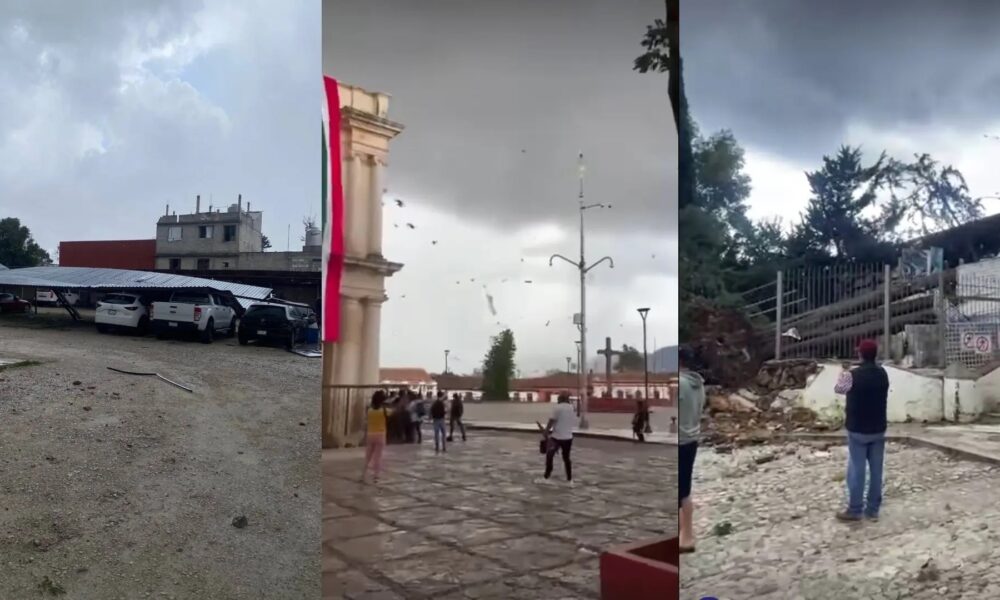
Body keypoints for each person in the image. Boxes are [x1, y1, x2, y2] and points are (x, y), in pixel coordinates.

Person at [834, 339, 890, 522]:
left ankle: (855, 509)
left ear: (860, 354)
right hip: (878, 428)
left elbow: (839, 389)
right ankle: (873, 509)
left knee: (857, 470)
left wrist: (844, 371)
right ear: (875, 355)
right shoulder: (883, 374)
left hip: (857, 429)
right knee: (876, 471)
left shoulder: (851, 375)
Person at [678, 345, 705, 553]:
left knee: (681, 492)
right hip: (692, 439)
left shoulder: (680, 383)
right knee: (684, 490)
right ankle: (684, 535)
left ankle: (686, 538)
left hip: (680, 441)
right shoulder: (698, 384)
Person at [535, 393, 576, 486]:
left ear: (560, 399)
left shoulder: (557, 408)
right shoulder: (571, 408)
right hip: (568, 437)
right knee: (566, 458)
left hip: (557, 437)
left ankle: (546, 477)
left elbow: (551, 421)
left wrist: (545, 431)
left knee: (549, 456)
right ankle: (569, 480)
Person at [361, 390, 390, 484]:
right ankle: (376, 476)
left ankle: (363, 474)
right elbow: (393, 413)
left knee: (368, 456)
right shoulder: (384, 410)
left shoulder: (369, 410)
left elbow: (366, 421)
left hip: (370, 434)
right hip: (381, 435)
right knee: (378, 457)